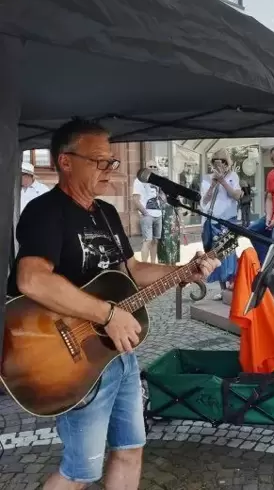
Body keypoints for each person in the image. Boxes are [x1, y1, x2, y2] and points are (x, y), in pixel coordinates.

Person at [6, 118, 218, 489]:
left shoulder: (106, 212)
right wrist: (107, 314)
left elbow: (130, 270)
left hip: (118, 353)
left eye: (111, 161)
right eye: (99, 160)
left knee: (130, 449)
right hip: (75, 358)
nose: (109, 168)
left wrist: (182, 271)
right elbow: (32, 279)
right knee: (80, 472)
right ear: (65, 161)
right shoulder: (45, 212)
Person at [200, 148, 242, 300]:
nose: (220, 165)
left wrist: (223, 181)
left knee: (229, 252)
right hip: (212, 221)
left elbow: (236, 195)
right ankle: (222, 288)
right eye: (216, 162)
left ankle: (232, 285)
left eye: (223, 162)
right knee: (216, 255)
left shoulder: (233, 176)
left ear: (227, 163)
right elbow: (203, 202)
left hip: (228, 221)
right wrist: (213, 184)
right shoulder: (206, 178)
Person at [132, 159, 162, 263]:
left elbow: (159, 197)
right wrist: (145, 213)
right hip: (147, 214)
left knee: (155, 241)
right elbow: (135, 199)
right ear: (146, 168)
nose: (153, 168)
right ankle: (144, 265)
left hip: (158, 214)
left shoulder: (157, 181)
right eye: (150, 166)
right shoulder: (139, 180)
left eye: (155, 167)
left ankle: (153, 264)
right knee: (147, 240)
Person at [157, 189, 182, 265]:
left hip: (172, 224)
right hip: (161, 225)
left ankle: (173, 266)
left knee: (173, 246)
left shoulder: (174, 195)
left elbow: (179, 209)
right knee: (164, 246)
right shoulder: (157, 195)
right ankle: (167, 267)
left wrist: (182, 224)